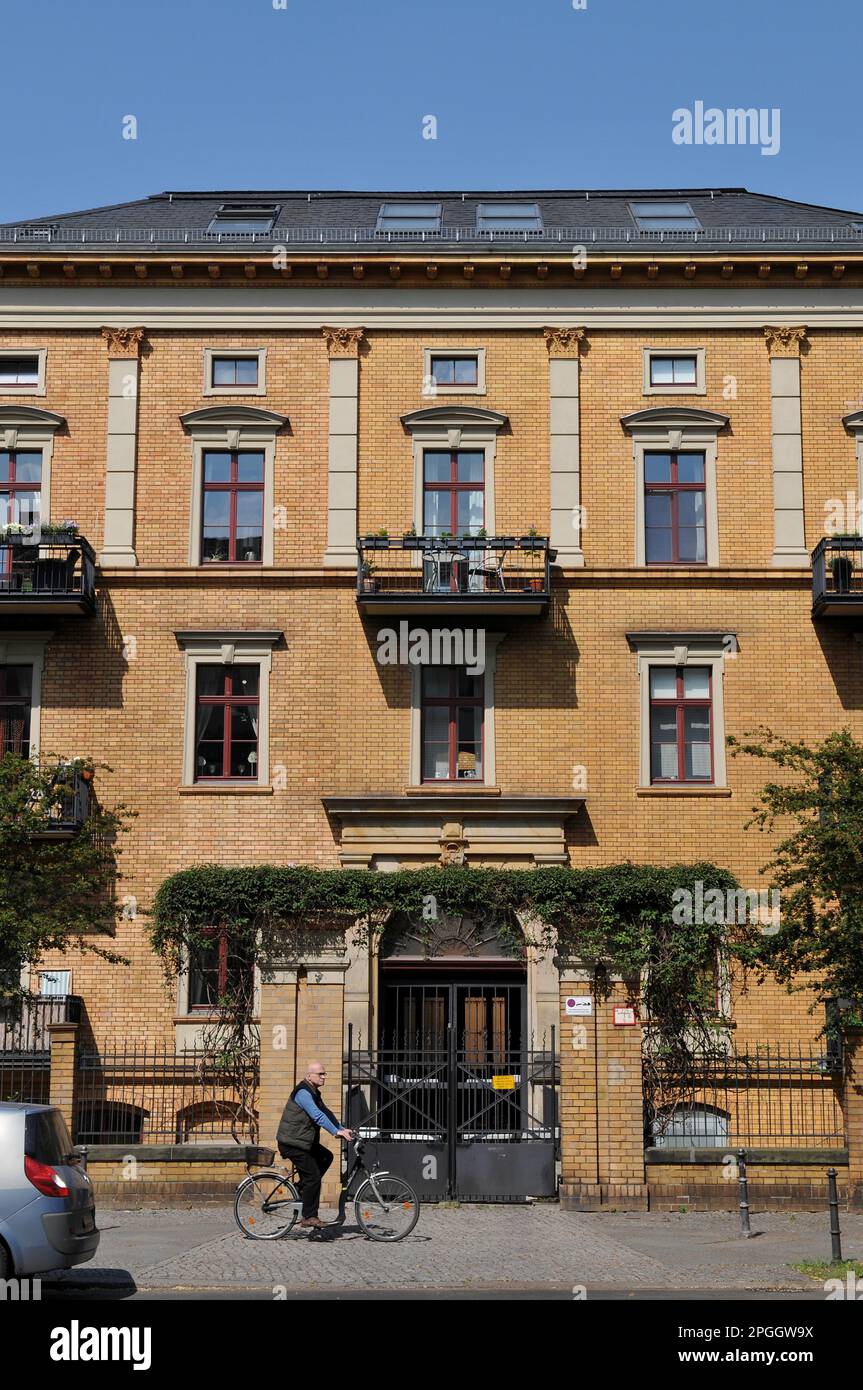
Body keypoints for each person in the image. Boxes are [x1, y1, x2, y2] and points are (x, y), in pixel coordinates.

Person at [276, 1062, 353, 1228]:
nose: (324, 1077)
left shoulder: (313, 1092)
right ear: (309, 1076)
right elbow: (317, 1116)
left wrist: (341, 1128)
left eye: (324, 1074)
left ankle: (302, 1188)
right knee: (313, 1177)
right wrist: (334, 1132)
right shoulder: (303, 1092)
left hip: (302, 1142)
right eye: (320, 1074)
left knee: (326, 1156)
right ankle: (309, 1216)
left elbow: (326, 1113)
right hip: (292, 1143)